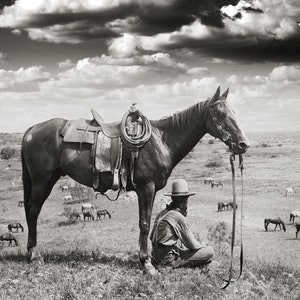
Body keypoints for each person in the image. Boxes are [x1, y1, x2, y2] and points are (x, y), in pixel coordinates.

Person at [150, 179, 214, 268]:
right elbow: (192, 245)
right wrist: (202, 246)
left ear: (172, 198)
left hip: (155, 258)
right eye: (186, 200)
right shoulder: (178, 216)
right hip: (169, 260)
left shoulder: (162, 213)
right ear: (184, 201)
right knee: (209, 251)